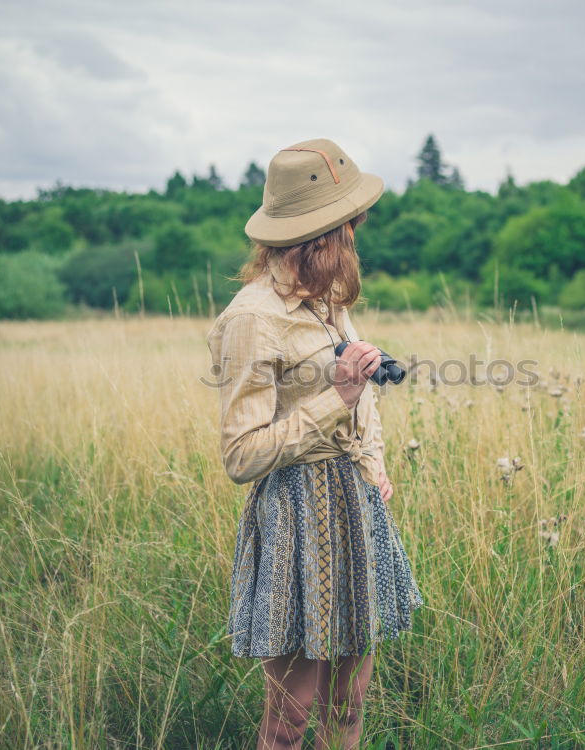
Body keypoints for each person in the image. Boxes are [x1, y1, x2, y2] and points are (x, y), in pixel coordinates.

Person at [206, 138, 424, 749]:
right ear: (317, 236)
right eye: (347, 227)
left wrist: (375, 461)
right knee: (290, 718)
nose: (355, 237)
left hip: (356, 506)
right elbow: (241, 455)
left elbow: (363, 388)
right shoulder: (253, 318)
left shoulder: (327, 297)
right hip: (297, 515)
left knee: (349, 705)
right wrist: (338, 398)